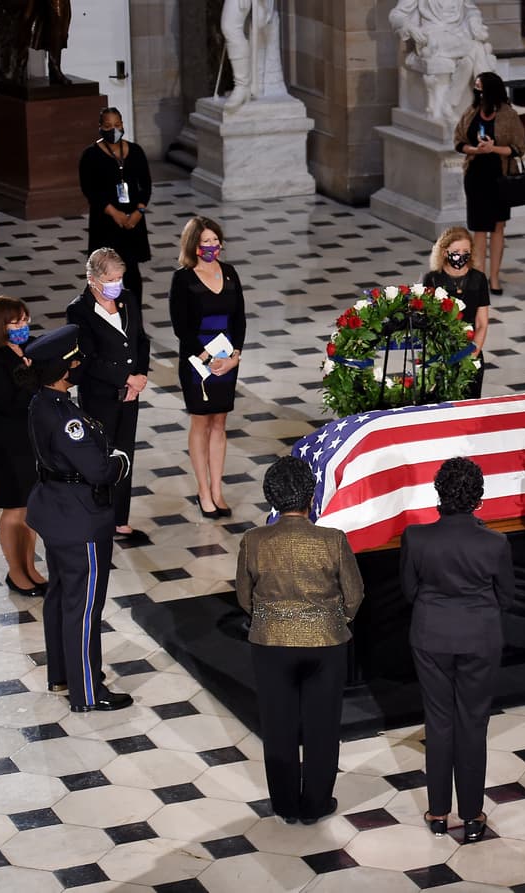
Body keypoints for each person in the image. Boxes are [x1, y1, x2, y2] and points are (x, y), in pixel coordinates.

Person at [235, 456, 364, 826]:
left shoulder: (254, 540)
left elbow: (245, 596)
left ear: (271, 497)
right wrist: (336, 621)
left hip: (270, 644)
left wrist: (266, 620)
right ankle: (316, 803)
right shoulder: (332, 540)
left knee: (278, 726)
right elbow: (354, 593)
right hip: (326, 644)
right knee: (323, 727)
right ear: (311, 495)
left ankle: (285, 804)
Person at [18, 325, 132, 712]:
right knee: (83, 607)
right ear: (64, 370)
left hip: (56, 511)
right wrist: (121, 461)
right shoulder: (66, 418)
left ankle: (62, 676)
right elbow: (100, 471)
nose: (80, 364)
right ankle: (87, 691)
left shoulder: (42, 401)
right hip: (80, 517)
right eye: (75, 360)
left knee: (60, 597)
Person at [401, 457, 515, 844]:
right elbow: (507, 597)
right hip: (480, 639)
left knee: (438, 723)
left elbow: (409, 592)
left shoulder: (416, 538)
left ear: (439, 494)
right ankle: (470, 815)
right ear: (478, 497)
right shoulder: (495, 543)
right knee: (473, 724)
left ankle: (437, 813)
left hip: (430, 637)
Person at [66, 249, 150, 545]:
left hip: (130, 394)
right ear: (93, 279)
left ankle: (120, 519)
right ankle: (98, 515)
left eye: (120, 277)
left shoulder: (127, 299)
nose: (117, 283)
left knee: (125, 453)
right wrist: (125, 378)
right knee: (101, 455)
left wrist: (140, 377)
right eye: (111, 279)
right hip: (100, 396)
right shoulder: (79, 311)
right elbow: (88, 358)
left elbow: (141, 339)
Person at [168, 216, 246, 519]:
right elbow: (181, 327)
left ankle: (217, 490)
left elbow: (239, 317)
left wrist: (235, 356)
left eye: (215, 241)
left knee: (220, 422)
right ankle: (203, 491)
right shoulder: (183, 279)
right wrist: (205, 358)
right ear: (194, 246)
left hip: (227, 360)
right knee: (201, 421)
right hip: (196, 361)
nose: (212, 246)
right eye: (206, 242)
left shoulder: (229, 273)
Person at [0, 297, 46, 597]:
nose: (22, 327)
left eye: (25, 320)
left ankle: (30, 566)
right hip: (4, 440)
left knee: (31, 506)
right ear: (0, 326)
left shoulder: (32, 348)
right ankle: (15, 571)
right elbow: (6, 403)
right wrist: (30, 378)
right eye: (15, 322)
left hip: (31, 436)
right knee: (14, 507)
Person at [453, 71, 525, 295]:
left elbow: (518, 148)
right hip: (476, 175)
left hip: (499, 176)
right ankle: (479, 277)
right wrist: (475, 149)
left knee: (497, 227)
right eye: (476, 87)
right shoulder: (472, 111)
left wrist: (493, 148)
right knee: (478, 228)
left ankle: (494, 277)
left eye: (480, 87)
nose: (477, 91)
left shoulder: (508, 115)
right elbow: (459, 141)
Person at [78, 108, 152, 304]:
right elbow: (90, 190)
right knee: (104, 271)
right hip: (106, 223)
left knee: (132, 271)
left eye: (117, 125)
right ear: (101, 127)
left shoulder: (135, 152)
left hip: (133, 222)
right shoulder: (91, 156)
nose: (114, 130)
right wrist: (114, 213)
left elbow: (146, 184)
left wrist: (139, 211)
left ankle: (137, 325)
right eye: (109, 126)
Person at [423, 226, 489, 398]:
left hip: (470, 350)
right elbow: (427, 320)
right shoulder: (433, 279)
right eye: (456, 251)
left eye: (465, 251)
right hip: (440, 354)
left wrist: (473, 352)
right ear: (445, 252)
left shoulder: (478, 279)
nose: (461, 255)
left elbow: (482, 323)